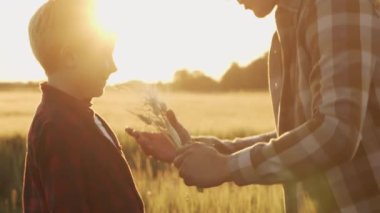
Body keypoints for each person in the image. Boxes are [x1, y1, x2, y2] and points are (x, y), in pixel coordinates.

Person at [127, 0, 380, 212]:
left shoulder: (336, 5)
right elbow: (299, 133)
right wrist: (205, 151)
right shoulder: (290, 24)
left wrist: (226, 166)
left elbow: (337, 131)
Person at [23, 0, 144, 212]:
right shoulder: (57, 128)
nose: (114, 67)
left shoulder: (83, 117)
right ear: (70, 56)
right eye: (104, 54)